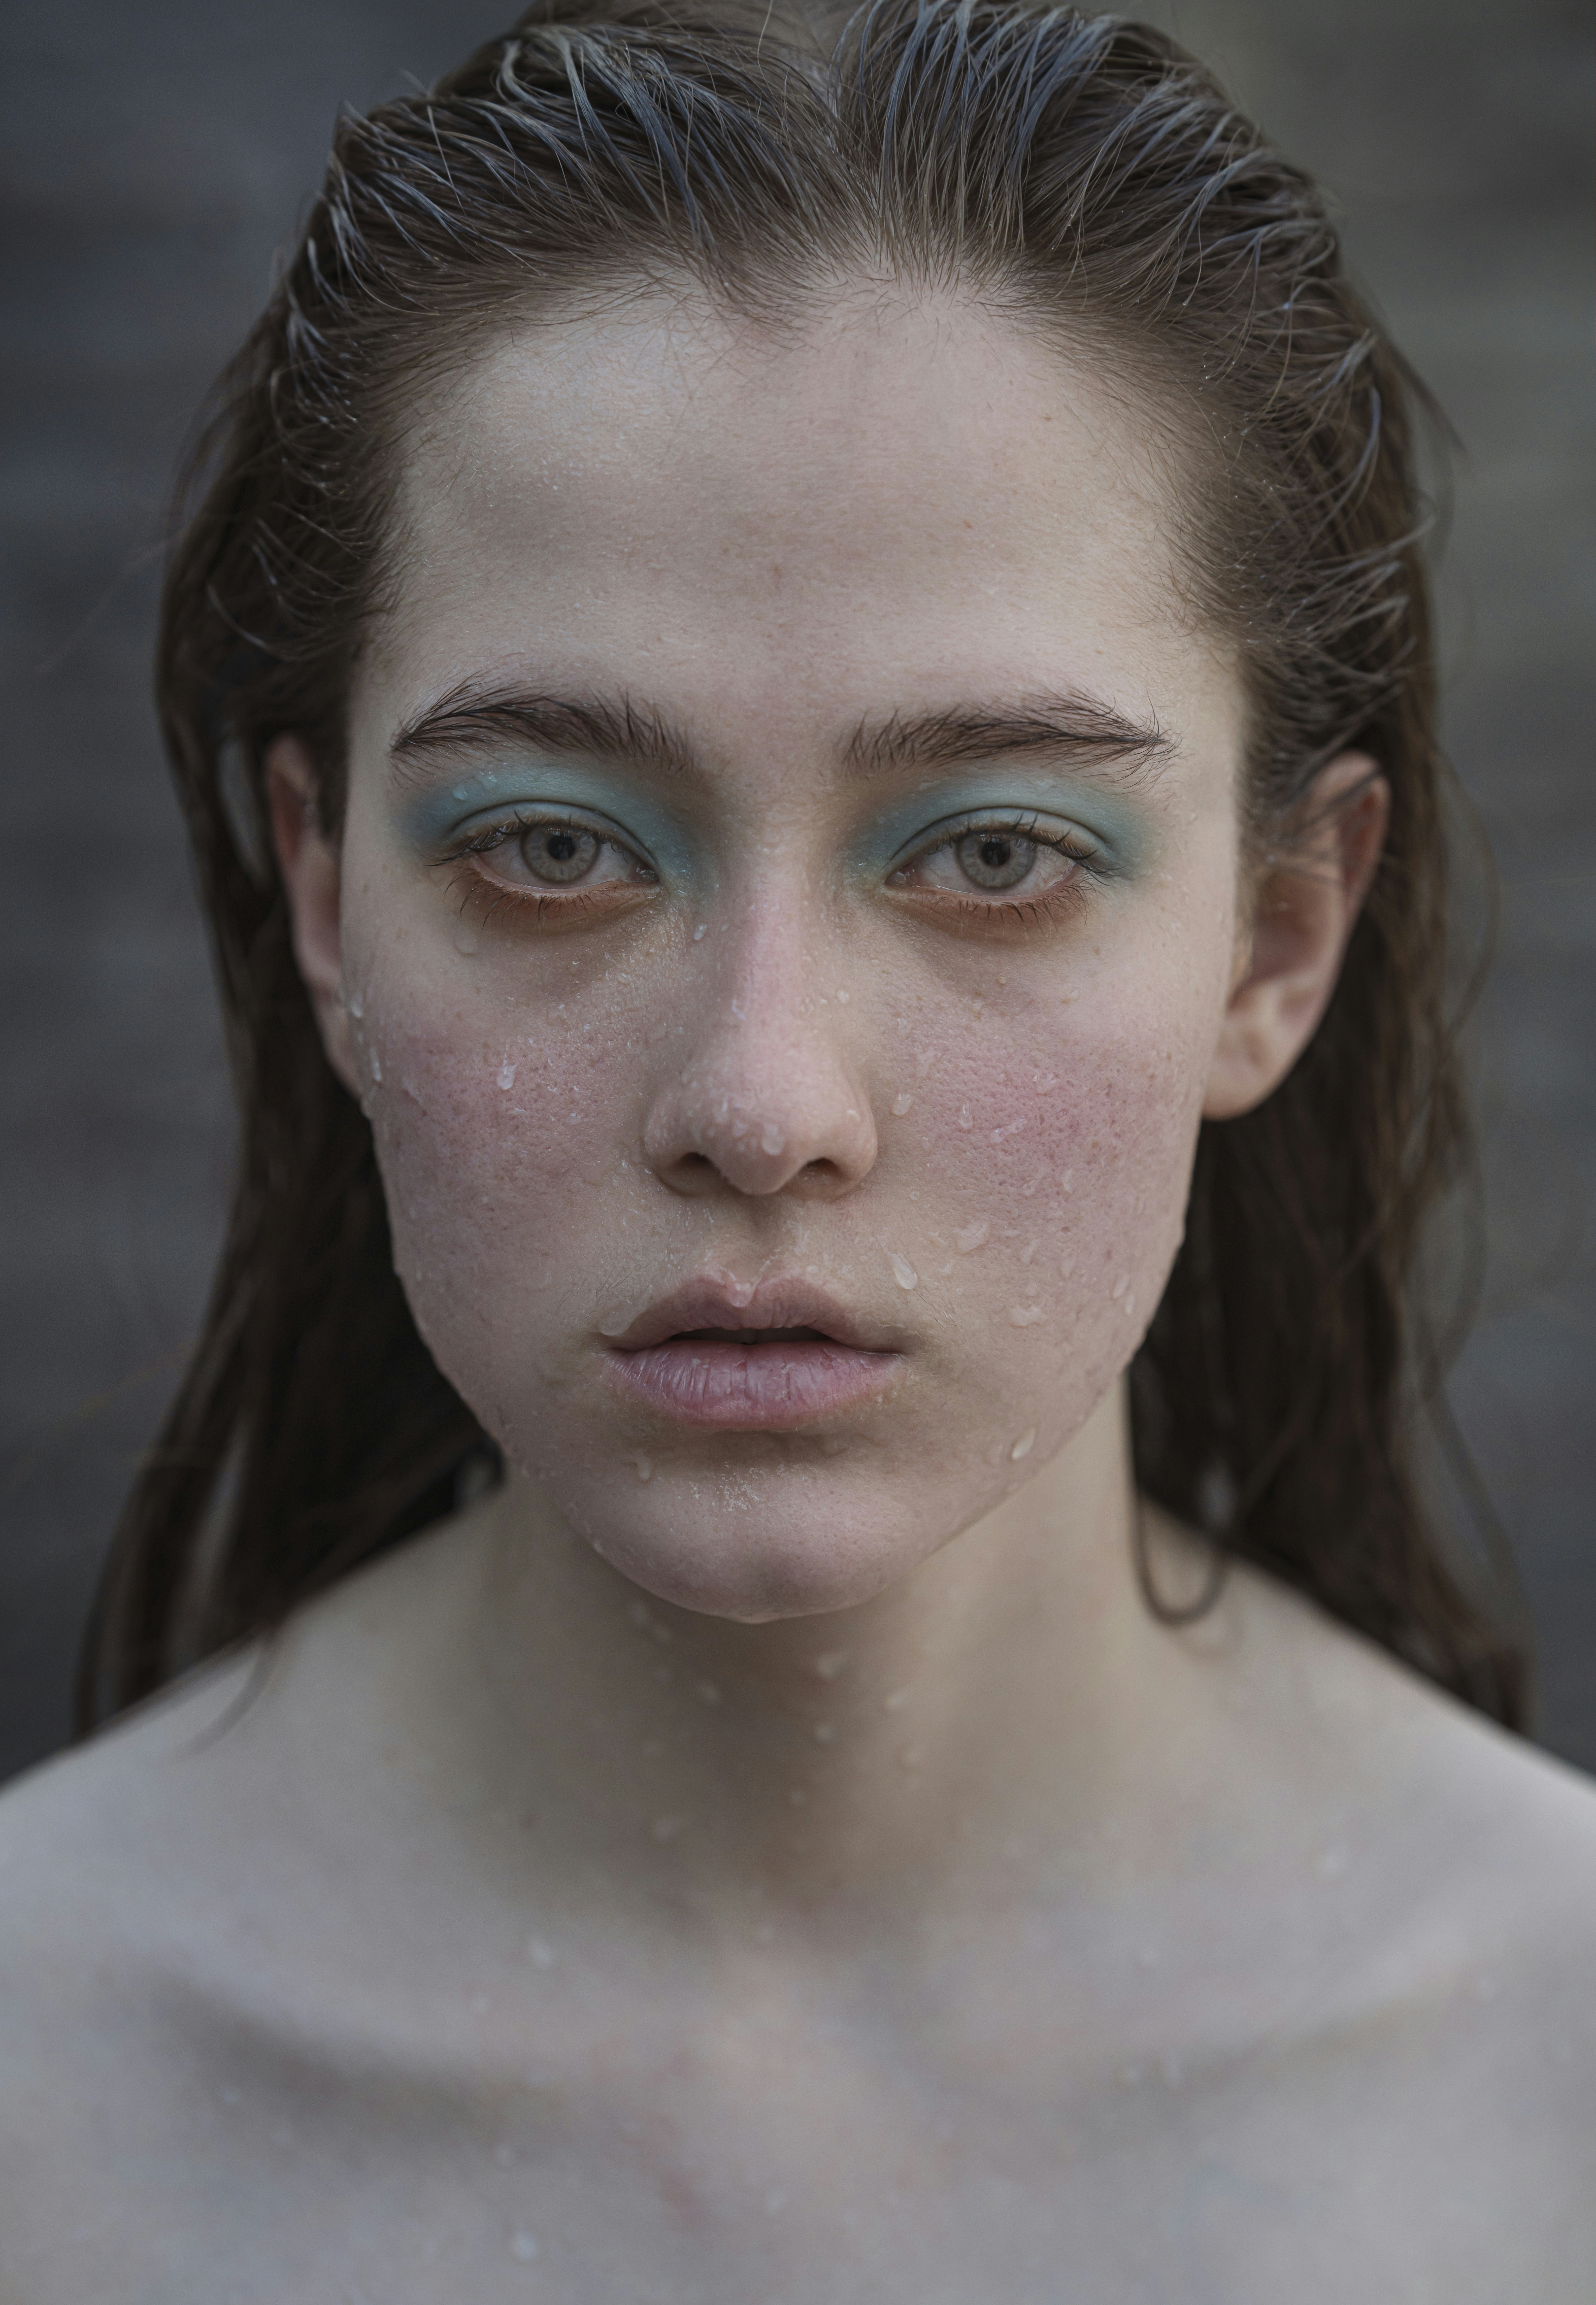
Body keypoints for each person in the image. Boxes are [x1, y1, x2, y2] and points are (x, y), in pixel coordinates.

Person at [1, 2, 1591, 2294]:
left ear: (1274, 934)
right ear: (329, 898)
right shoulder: (58, 2094)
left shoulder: (1552, 2076)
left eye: (996, 853)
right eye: (554, 843)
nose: (763, 1102)